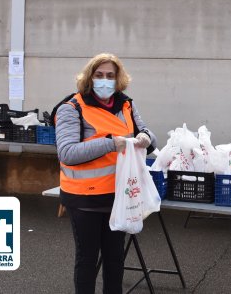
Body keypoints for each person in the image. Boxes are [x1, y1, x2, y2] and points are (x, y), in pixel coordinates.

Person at [55, 53, 157, 294]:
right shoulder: (71, 109)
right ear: (89, 78)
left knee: (115, 261)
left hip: (118, 196)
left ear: (118, 79)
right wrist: (110, 143)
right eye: (99, 75)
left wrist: (146, 137)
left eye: (110, 76)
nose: (105, 80)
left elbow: (147, 135)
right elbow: (67, 153)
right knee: (87, 260)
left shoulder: (126, 105)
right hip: (84, 200)